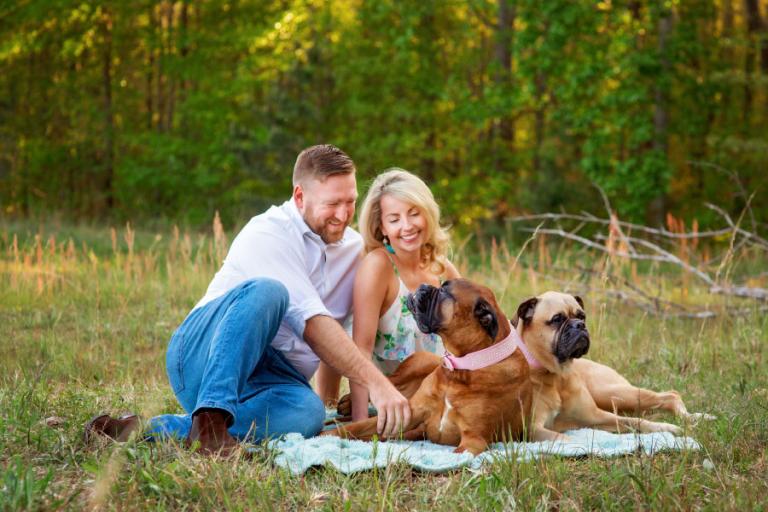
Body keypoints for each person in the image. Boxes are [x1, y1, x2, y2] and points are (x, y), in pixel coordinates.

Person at [85, 145, 410, 455]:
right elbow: (313, 324)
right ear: (300, 196)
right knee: (269, 291)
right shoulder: (267, 233)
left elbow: (354, 324)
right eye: (332, 203)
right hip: (204, 354)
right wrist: (378, 384)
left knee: (308, 415)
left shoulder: (356, 252)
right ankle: (210, 419)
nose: (343, 214)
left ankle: (154, 429)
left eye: (350, 201)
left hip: (275, 378)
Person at [315, 169, 460, 421]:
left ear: (427, 213)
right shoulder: (378, 266)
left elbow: (471, 339)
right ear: (381, 227)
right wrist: (360, 421)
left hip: (437, 400)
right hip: (389, 400)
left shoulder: (442, 269)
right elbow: (361, 349)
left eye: (414, 213)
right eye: (394, 219)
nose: (407, 226)